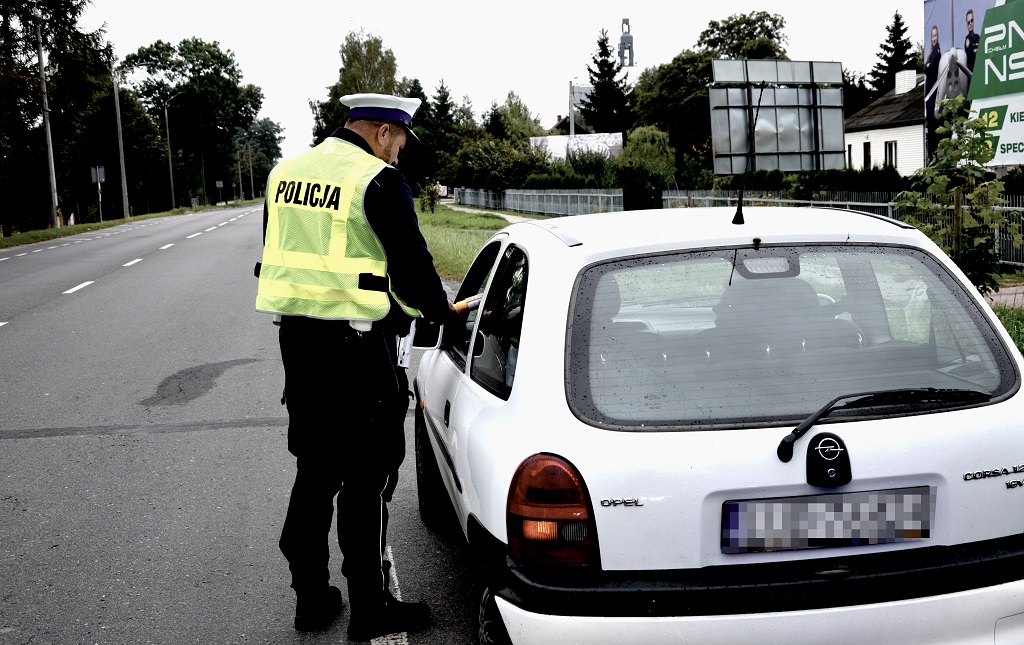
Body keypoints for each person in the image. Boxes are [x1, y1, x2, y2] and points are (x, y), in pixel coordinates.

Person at [255, 93, 460, 640]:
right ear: (381, 131)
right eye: (399, 141)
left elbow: (295, 256)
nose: (399, 153)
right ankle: (369, 608)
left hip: (299, 345)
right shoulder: (377, 181)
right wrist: (444, 312)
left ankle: (310, 598)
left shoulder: (285, 174)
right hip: (359, 351)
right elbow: (414, 273)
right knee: (366, 479)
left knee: (315, 471)